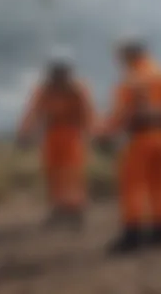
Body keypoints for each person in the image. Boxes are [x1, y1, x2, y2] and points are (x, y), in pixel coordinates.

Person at [99, 37, 161, 254]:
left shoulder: (133, 78)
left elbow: (121, 112)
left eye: (121, 56)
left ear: (130, 54)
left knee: (132, 185)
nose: (119, 61)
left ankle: (133, 234)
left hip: (140, 137)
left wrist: (104, 134)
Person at [17, 50, 98, 231]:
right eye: (56, 71)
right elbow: (33, 113)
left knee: (71, 173)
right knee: (53, 173)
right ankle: (58, 209)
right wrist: (25, 133)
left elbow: (88, 114)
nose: (58, 74)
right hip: (52, 135)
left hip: (72, 135)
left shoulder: (78, 89)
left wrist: (94, 133)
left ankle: (75, 210)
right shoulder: (44, 90)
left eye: (61, 70)